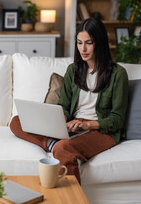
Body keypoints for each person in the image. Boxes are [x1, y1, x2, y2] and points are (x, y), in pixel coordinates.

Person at [10, 17, 129, 183]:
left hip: (101, 130)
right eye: (79, 43)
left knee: (63, 148)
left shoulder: (118, 74)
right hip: (74, 125)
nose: (83, 49)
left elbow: (117, 119)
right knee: (16, 121)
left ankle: (59, 152)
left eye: (89, 42)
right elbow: (64, 106)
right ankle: (52, 143)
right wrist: (60, 121)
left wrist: (88, 125)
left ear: (100, 43)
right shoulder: (73, 70)